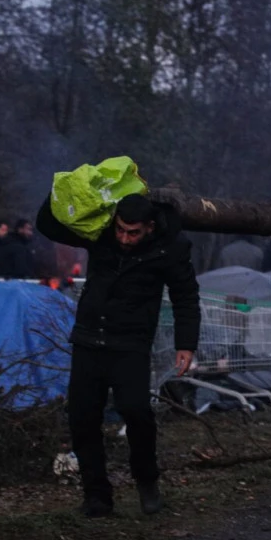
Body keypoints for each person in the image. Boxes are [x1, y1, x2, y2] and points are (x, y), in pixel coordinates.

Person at [37, 193, 200, 517]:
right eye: (121, 230)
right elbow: (49, 226)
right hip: (88, 338)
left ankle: (147, 481)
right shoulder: (101, 234)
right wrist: (62, 192)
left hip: (131, 343)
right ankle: (96, 496)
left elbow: (185, 295)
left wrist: (186, 344)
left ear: (149, 227)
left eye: (133, 233)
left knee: (136, 412)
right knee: (82, 417)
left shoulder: (169, 248)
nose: (125, 238)